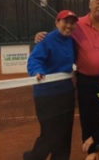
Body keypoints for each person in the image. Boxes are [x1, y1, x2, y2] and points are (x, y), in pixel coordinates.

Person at [36, 0, 99, 140]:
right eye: (97, 2)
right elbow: (60, 34)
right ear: (90, 5)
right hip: (86, 80)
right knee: (87, 114)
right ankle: (89, 145)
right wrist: (42, 36)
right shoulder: (77, 24)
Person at [24, 10, 78, 160]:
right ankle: (33, 158)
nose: (69, 26)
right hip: (46, 94)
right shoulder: (46, 40)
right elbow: (34, 60)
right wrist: (37, 71)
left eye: (72, 23)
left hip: (66, 93)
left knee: (65, 132)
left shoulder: (72, 41)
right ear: (57, 22)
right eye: (65, 22)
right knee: (49, 133)